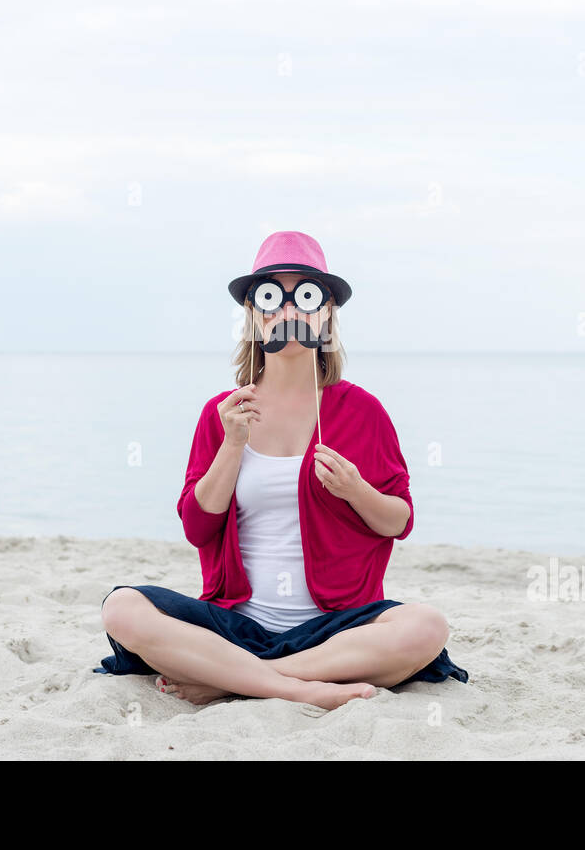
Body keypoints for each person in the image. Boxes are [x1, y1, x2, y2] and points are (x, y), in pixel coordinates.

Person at [94, 231, 468, 710]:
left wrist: (356, 489)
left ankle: (237, 682)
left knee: (426, 626)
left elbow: (397, 521)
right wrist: (232, 445)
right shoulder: (222, 412)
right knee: (121, 607)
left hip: (335, 630)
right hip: (233, 626)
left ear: (326, 311)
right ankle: (290, 687)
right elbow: (196, 527)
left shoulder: (363, 410)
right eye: (272, 298)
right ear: (253, 313)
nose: (288, 313)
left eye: (305, 297)